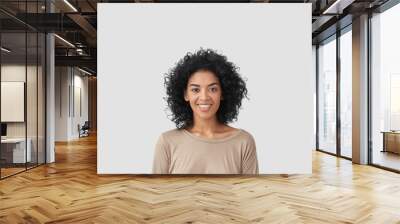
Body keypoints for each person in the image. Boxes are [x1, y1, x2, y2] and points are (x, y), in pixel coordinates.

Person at [153, 48, 258, 174]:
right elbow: (157, 193)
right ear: (185, 94)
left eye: (212, 89)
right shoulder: (167, 142)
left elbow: (251, 193)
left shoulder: (243, 142)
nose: (204, 97)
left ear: (223, 93)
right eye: (195, 90)